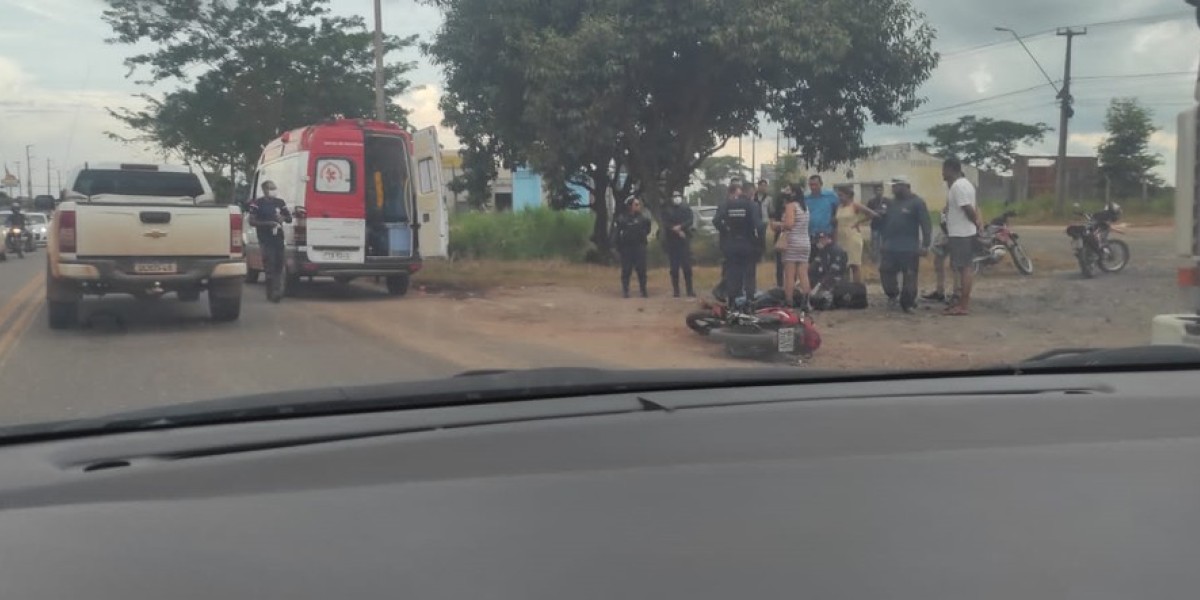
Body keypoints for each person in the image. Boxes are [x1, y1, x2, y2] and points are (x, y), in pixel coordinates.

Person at [876, 176, 931, 313]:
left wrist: (925, 244)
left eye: (895, 186)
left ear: (905, 186)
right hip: (890, 246)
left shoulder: (917, 202)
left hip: (909, 247)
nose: (893, 189)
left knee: (910, 276)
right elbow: (883, 224)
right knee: (885, 272)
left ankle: (908, 303)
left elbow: (926, 224)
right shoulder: (890, 203)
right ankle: (892, 295)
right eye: (892, 186)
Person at [942, 157, 983, 316]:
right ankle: (960, 303)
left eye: (944, 169)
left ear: (951, 169)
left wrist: (976, 223)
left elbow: (967, 208)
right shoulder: (966, 184)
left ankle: (963, 305)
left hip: (962, 234)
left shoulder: (958, 186)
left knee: (965, 269)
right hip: (962, 232)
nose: (942, 173)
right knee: (961, 268)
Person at [713, 183, 763, 303]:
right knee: (749, 274)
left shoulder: (727, 204)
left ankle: (732, 301)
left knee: (732, 273)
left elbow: (716, 220)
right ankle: (750, 302)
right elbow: (759, 226)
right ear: (749, 193)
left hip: (731, 242)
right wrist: (760, 243)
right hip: (748, 242)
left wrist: (726, 230)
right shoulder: (752, 205)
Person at [247, 180, 294, 301]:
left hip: (278, 237)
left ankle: (278, 290)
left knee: (279, 265)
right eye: (270, 188)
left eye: (274, 188)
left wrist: (282, 218)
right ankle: (271, 292)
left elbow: (289, 218)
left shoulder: (280, 202)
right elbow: (252, 221)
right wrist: (268, 224)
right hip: (265, 238)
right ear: (264, 190)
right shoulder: (257, 203)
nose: (273, 190)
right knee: (270, 265)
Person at [832, 185, 880, 284]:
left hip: (852, 236)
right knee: (843, 264)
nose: (840, 198)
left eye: (841, 196)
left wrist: (859, 222)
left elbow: (873, 214)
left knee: (854, 264)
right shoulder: (839, 207)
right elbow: (836, 223)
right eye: (839, 196)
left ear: (848, 195)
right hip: (841, 238)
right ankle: (844, 288)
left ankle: (857, 290)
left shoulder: (854, 205)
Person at [611, 197, 652, 298]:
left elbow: (647, 229)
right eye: (636, 204)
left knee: (642, 270)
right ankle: (625, 290)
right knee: (626, 270)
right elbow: (616, 233)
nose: (638, 206)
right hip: (627, 248)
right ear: (630, 206)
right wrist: (616, 246)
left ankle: (643, 290)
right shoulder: (622, 219)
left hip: (640, 247)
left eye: (639, 204)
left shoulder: (643, 218)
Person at [780, 183, 812, 308]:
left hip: (792, 242)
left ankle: (789, 301)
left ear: (793, 193)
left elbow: (789, 224)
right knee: (803, 274)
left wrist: (778, 224)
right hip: (805, 242)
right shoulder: (804, 207)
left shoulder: (790, 206)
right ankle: (806, 301)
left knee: (789, 275)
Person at [662, 193, 696, 298]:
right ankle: (676, 291)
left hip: (684, 240)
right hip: (672, 241)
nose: (676, 198)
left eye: (678, 196)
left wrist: (681, 227)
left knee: (687, 267)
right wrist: (675, 229)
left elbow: (690, 220)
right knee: (674, 268)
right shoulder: (668, 210)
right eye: (674, 196)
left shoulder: (686, 208)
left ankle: (689, 290)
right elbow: (665, 223)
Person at [808, 232, 848, 309]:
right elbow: (814, 266)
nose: (820, 242)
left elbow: (834, 272)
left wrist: (819, 285)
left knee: (822, 297)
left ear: (828, 239)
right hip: (823, 278)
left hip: (835, 279)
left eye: (823, 239)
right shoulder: (822, 250)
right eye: (819, 239)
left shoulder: (837, 250)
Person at [804, 175, 838, 251]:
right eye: (811, 185)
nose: (813, 187)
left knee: (826, 257)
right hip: (810, 234)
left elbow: (838, 210)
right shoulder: (806, 199)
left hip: (826, 234)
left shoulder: (831, 196)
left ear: (821, 184)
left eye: (815, 184)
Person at [767, 184, 790, 288]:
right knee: (780, 265)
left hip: (792, 237)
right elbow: (773, 225)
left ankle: (791, 286)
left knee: (791, 264)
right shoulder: (776, 209)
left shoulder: (795, 208)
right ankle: (780, 286)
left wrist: (782, 224)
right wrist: (783, 225)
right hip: (780, 237)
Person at [865, 184, 889, 264]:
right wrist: (875, 212)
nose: (879, 192)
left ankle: (885, 259)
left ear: (883, 191)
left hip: (885, 225)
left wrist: (884, 212)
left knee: (884, 243)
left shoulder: (887, 201)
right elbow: (867, 213)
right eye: (877, 190)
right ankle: (875, 260)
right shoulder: (871, 202)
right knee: (875, 243)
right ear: (874, 191)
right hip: (875, 226)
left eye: (880, 190)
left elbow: (891, 212)